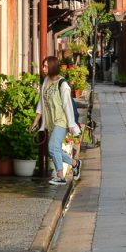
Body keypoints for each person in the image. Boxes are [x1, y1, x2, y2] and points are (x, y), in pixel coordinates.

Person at [32, 57, 82, 185]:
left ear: (53, 67)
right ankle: (75, 163)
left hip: (62, 121)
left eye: (46, 66)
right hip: (51, 122)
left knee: (53, 147)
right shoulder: (46, 81)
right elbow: (41, 103)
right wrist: (36, 121)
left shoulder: (63, 84)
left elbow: (67, 105)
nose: (43, 68)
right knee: (55, 149)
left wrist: (71, 124)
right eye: (43, 66)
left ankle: (60, 176)